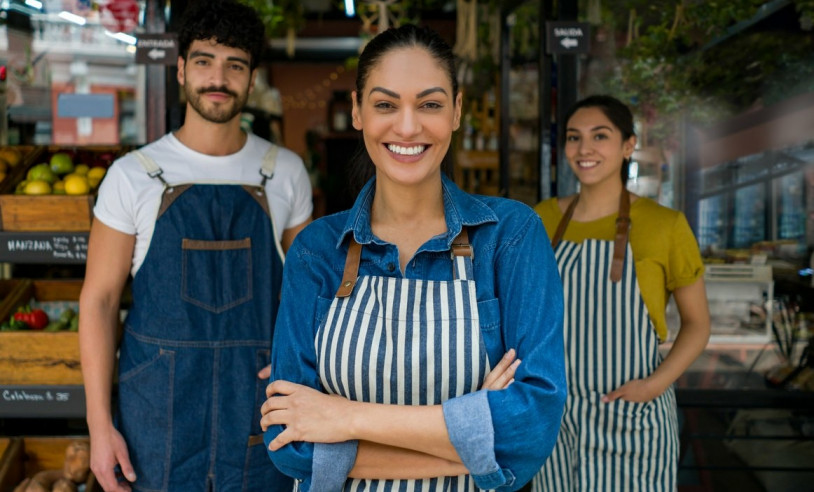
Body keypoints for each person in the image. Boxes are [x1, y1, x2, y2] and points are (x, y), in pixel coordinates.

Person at [259, 24, 566, 491]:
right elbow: (291, 444)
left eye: (430, 104)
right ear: (358, 111)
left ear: (457, 111)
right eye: (385, 104)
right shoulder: (317, 250)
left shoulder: (510, 237)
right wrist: (474, 444)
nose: (407, 126)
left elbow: (532, 429)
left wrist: (345, 417)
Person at [78, 1, 312, 490]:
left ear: (251, 78)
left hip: (257, 407)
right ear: (182, 69)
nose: (218, 78)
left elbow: (309, 295)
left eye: (235, 65)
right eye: (204, 61)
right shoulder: (132, 176)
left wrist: (301, 360)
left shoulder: (284, 172)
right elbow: (98, 303)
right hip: (157, 415)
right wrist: (100, 428)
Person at [531, 95, 710, 491]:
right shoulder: (542, 219)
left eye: (600, 136)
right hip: (558, 419)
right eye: (575, 138)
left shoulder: (665, 225)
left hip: (634, 417)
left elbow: (698, 325)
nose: (585, 149)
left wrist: (655, 385)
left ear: (629, 145)